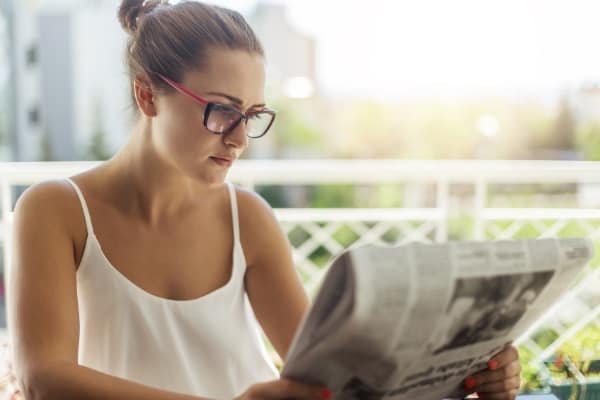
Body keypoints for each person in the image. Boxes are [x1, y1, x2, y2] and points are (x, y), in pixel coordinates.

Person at [6, 1, 521, 399]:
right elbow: (44, 379)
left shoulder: (247, 216)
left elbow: (327, 373)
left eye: (251, 114)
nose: (238, 138)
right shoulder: (54, 210)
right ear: (147, 96)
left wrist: (463, 375)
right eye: (221, 110)